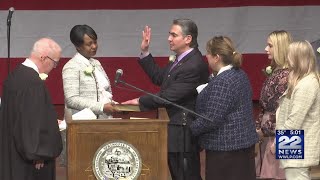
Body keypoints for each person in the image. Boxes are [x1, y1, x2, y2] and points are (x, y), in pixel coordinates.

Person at [122, 19, 209, 180]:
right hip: (174, 130)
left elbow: (169, 96)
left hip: (183, 132)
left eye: (173, 35)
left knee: (186, 176)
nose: (169, 38)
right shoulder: (181, 59)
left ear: (188, 39)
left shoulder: (193, 64)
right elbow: (158, 77)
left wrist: (141, 102)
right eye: (170, 34)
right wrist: (145, 52)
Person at [190, 36, 257, 180]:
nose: (206, 56)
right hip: (242, 147)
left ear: (217, 57)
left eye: (208, 53)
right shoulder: (239, 73)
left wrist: (190, 129)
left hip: (226, 151)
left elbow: (211, 119)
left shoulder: (224, 81)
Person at [0, 38, 63, 180]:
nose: (54, 67)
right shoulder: (33, 84)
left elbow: (22, 117)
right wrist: (39, 154)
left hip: (12, 154)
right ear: (43, 57)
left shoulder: (14, 76)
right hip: (31, 165)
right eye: (55, 62)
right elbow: (30, 125)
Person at [276, 40, 320, 180]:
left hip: (298, 145)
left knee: (296, 175)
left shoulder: (307, 84)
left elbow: (295, 121)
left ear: (297, 57)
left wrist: (279, 142)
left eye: (289, 54)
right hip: (295, 144)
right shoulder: (301, 80)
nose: (287, 58)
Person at [255, 30, 292, 179]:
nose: (265, 49)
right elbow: (265, 105)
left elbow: (286, 111)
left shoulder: (288, 76)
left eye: (270, 45)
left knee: (286, 175)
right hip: (270, 132)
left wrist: (263, 130)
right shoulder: (277, 72)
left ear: (280, 48)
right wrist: (259, 128)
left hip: (285, 133)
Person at [62, 24, 117, 119]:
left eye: (95, 42)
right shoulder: (71, 66)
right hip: (82, 125)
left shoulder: (97, 63)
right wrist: (101, 107)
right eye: (89, 44)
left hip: (104, 121)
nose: (94, 46)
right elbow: (71, 99)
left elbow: (105, 92)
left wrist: (116, 106)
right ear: (78, 46)